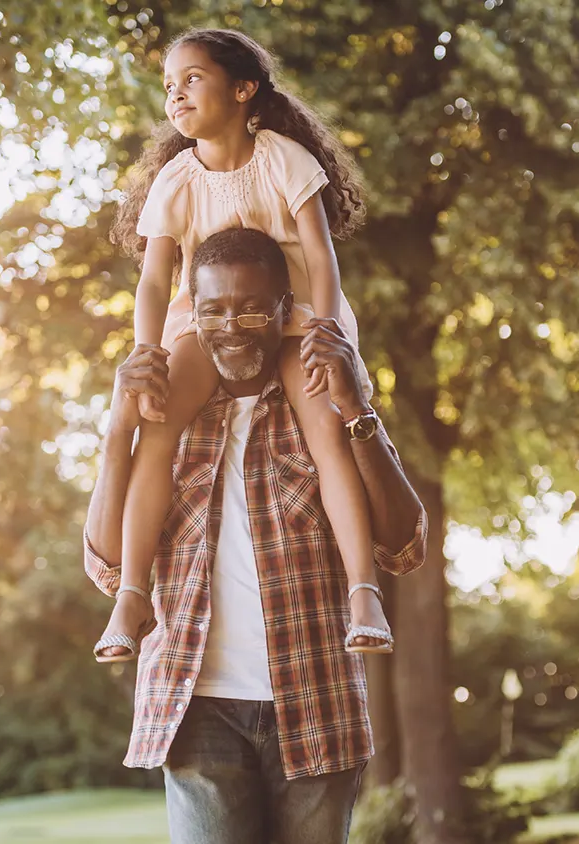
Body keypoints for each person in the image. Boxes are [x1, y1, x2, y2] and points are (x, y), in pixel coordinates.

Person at [84, 228, 426, 843]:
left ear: (283, 310)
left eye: (250, 308)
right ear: (192, 313)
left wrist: (357, 412)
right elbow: (107, 562)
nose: (232, 328)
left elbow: (403, 545)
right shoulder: (173, 418)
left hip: (317, 699)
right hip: (196, 708)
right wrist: (118, 427)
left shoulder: (319, 404)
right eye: (213, 310)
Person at [93, 28, 392, 663]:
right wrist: (147, 353)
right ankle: (133, 595)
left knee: (326, 425)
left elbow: (319, 254)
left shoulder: (282, 159)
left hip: (297, 315)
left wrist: (329, 331)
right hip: (205, 323)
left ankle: (364, 591)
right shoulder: (176, 180)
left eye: (192, 80)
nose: (176, 95)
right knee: (158, 425)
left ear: (243, 89)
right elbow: (152, 279)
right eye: (169, 86)